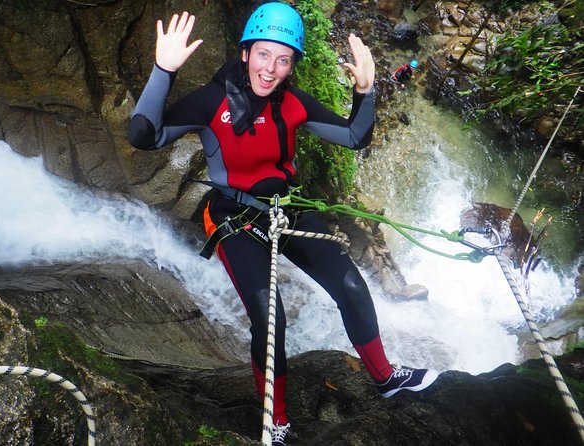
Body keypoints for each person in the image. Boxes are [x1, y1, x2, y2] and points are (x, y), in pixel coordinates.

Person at [128, 3, 438, 444]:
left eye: (283, 59)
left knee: (350, 285)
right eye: (263, 55)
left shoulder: (292, 103)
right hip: (234, 217)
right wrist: (164, 70)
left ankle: (386, 378)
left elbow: (354, 137)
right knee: (269, 317)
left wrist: (366, 91)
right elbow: (144, 136)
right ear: (245, 53)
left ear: (292, 65)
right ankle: (277, 424)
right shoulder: (211, 101)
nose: (270, 69)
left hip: (285, 207)